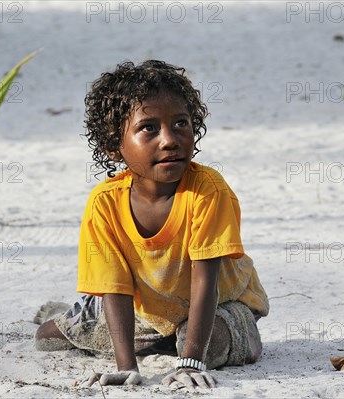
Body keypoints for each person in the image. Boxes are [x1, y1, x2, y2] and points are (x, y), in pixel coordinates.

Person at [34, 60, 269, 390]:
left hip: (221, 304)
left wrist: (189, 363)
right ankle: (81, 312)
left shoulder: (208, 190)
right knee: (47, 337)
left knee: (205, 344)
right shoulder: (105, 203)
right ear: (114, 146)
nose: (169, 139)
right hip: (149, 310)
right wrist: (126, 366)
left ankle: (209, 339)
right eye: (149, 128)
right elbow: (115, 287)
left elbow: (206, 283)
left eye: (180, 124)